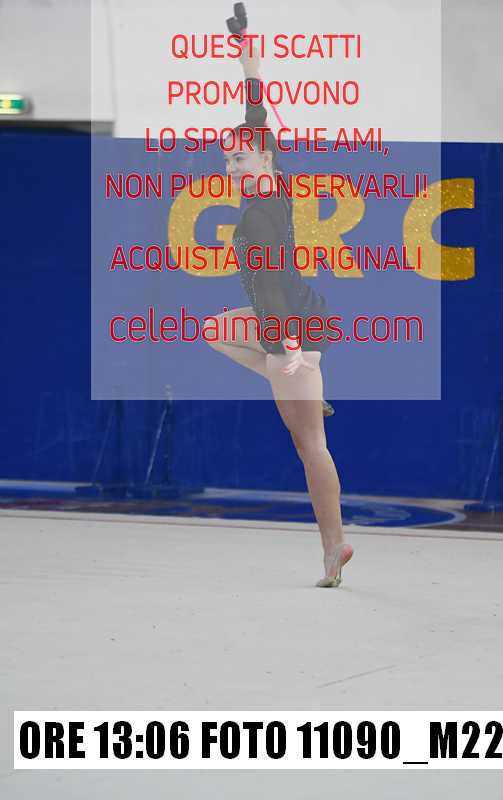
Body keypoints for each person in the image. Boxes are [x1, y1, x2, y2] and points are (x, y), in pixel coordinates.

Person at [204, 42, 353, 587]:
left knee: (310, 445)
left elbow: (270, 291)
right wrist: (249, 68)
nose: (232, 166)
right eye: (227, 160)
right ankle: (304, 385)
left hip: (290, 328)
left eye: (239, 159)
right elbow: (256, 122)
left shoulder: (257, 220)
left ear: (264, 160)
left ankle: (334, 547)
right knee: (216, 330)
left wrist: (287, 351)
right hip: (294, 321)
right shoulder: (276, 185)